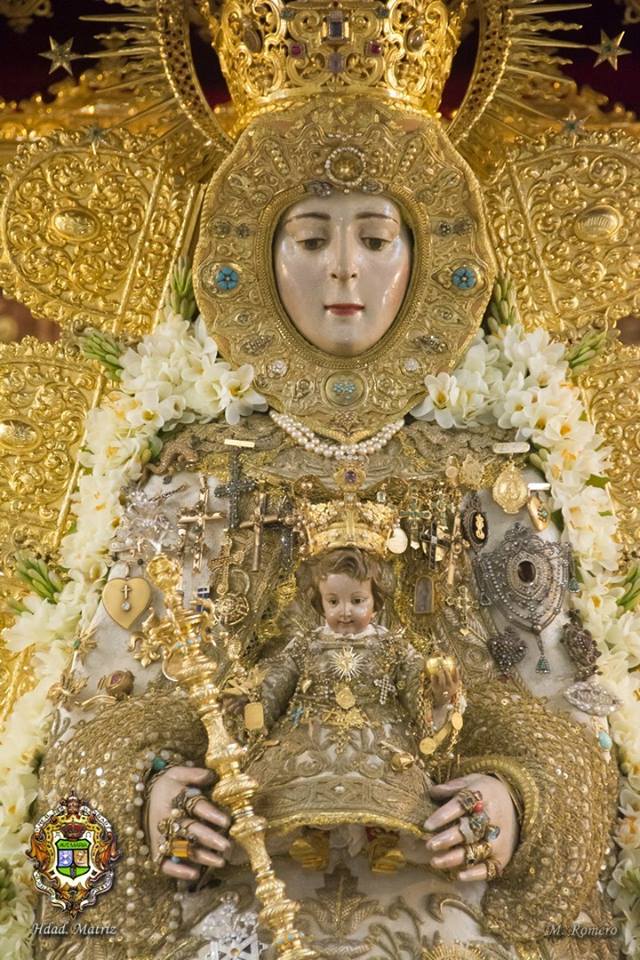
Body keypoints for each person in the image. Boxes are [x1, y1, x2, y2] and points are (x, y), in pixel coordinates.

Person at [239, 544, 463, 874]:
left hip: (380, 733)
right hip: (310, 728)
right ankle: (314, 835)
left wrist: (436, 691)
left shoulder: (392, 645)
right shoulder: (305, 643)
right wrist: (253, 697)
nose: (345, 611)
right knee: (303, 769)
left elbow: (414, 683)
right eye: (334, 601)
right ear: (320, 602)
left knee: (386, 774)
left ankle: (382, 839)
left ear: (375, 602)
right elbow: (277, 681)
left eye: (357, 601)